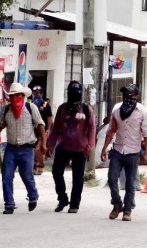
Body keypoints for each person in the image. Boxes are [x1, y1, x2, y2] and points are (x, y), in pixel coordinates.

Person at [0, 83, 46, 214]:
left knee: (27, 175)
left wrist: (43, 144)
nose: (15, 99)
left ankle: (33, 195)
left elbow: (41, 126)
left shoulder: (31, 108)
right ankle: (9, 204)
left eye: (17, 96)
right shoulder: (6, 109)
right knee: (6, 176)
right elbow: (1, 124)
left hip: (27, 149)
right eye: (12, 96)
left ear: (23, 96)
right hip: (11, 148)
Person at [101, 84, 147, 221]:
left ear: (136, 97)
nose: (127, 98)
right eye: (125, 95)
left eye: (130, 95)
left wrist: (146, 152)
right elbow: (111, 129)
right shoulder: (117, 110)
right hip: (117, 150)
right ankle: (117, 204)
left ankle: (127, 210)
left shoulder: (142, 112)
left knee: (130, 183)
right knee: (112, 178)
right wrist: (104, 147)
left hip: (133, 151)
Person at [47, 81, 95, 213]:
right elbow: (55, 128)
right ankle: (62, 198)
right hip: (63, 146)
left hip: (80, 149)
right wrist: (51, 145)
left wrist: (90, 145)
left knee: (77, 178)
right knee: (56, 172)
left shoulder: (86, 109)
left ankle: (74, 204)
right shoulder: (62, 108)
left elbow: (92, 128)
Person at [31, 86, 53, 175]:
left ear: (42, 93)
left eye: (39, 92)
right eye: (35, 92)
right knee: (32, 148)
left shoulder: (45, 104)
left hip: (42, 129)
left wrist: (48, 129)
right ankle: (34, 166)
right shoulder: (30, 104)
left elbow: (49, 118)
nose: (37, 94)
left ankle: (40, 166)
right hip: (32, 130)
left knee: (39, 149)